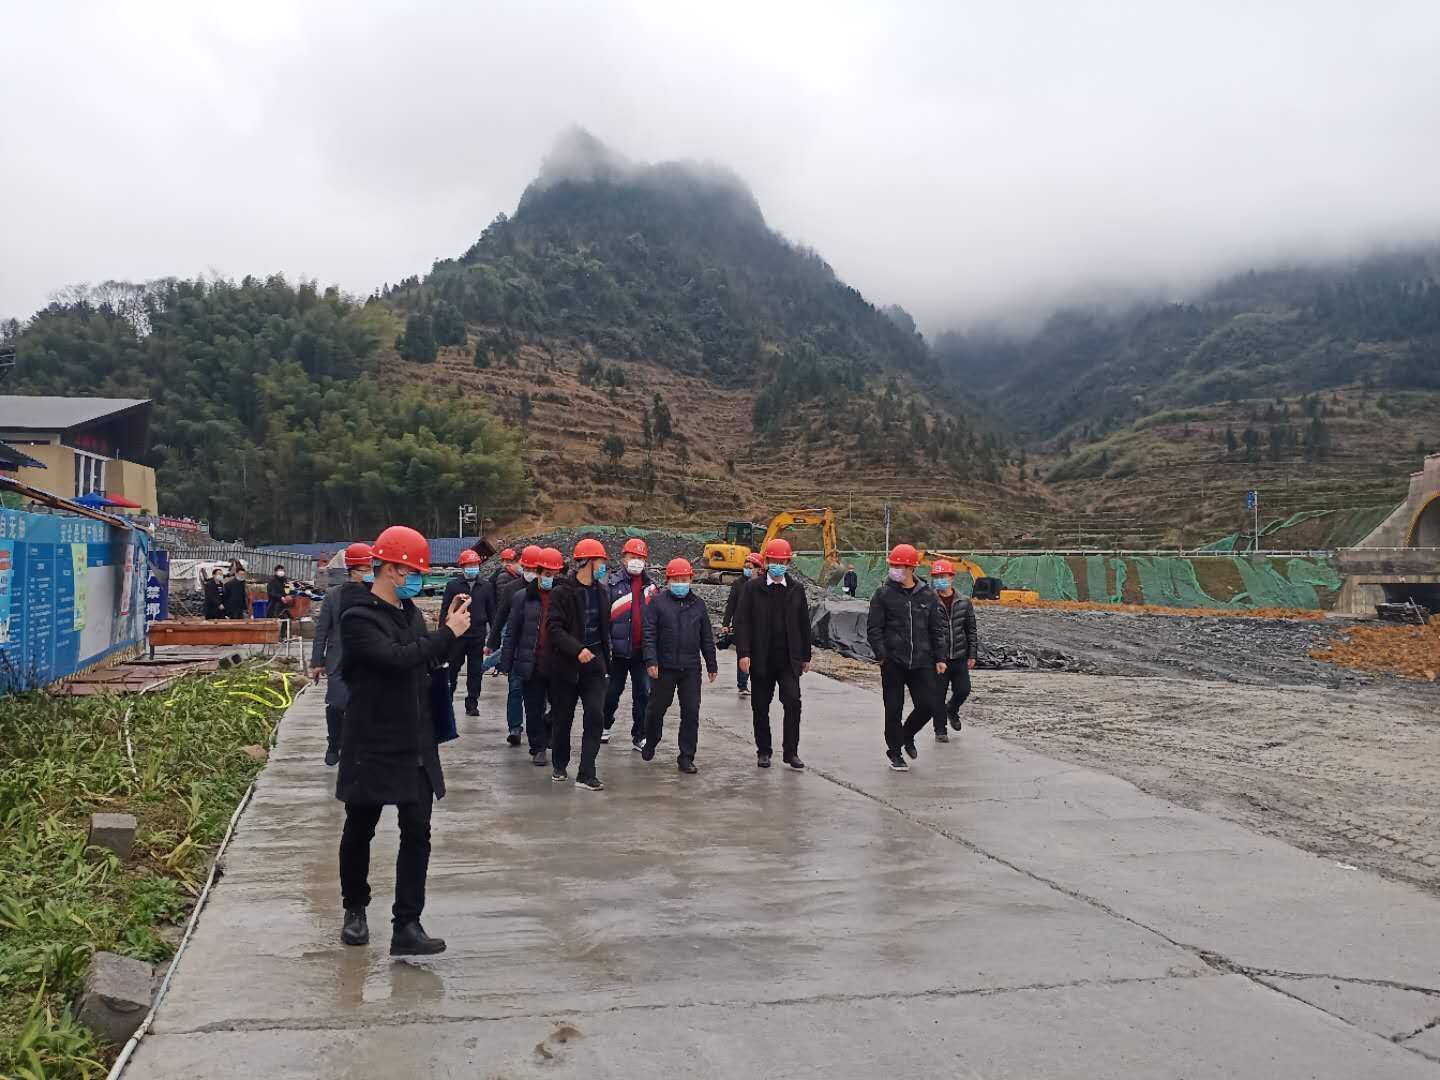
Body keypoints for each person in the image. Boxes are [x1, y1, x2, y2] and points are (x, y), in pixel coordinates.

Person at [336, 525, 471, 956]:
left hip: (414, 739)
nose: (416, 580)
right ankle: (355, 908)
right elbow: (395, 659)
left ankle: (407, 924)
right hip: (373, 740)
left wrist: (451, 635)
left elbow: (426, 658)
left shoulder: (410, 613)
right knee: (361, 827)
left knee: (417, 832)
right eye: (413, 572)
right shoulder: (358, 617)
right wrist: (446, 633)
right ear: (392, 569)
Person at [733, 538, 812, 770]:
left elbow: (804, 624)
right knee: (760, 706)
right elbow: (742, 622)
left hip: (788, 659)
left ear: (788, 563)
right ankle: (764, 751)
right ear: (766, 561)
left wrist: (805, 656)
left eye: (782, 562)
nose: (778, 565)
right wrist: (743, 653)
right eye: (774, 561)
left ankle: (791, 752)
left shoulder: (796, 589)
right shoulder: (752, 589)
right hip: (761, 659)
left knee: (793, 702)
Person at [866, 543, 946, 772]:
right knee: (894, 708)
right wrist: (882, 655)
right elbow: (874, 628)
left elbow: (936, 629)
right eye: (893, 565)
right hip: (893, 662)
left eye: (899, 566)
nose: (895, 570)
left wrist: (940, 657)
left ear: (912, 568)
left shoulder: (928, 595)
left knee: (929, 705)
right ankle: (895, 752)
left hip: (922, 661)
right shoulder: (883, 594)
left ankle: (906, 735)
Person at [539, 538, 611, 791]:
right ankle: (560, 764)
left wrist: (605, 661)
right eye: (600, 561)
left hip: (595, 665)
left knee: (595, 715)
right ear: (588, 562)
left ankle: (586, 773)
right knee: (563, 718)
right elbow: (554, 629)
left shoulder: (602, 593)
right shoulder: (562, 593)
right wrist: (577, 649)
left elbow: (604, 630)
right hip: (566, 666)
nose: (603, 566)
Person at [641, 558, 717, 774]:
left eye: (684, 579)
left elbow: (706, 637)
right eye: (676, 580)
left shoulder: (698, 604)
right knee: (657, 708)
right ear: (668, 581)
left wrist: (711, 663)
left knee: (691, 712)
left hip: (690, 668)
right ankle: (651, 739)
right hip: (664, 667)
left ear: (691, 579)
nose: (681, 583)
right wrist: (651, 661)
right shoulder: (657, 603)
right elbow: (649, 634)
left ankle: (686, 756)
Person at [498, 546, 563, 767]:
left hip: (557, 663)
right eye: (546, 574)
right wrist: (506, 662)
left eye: (554, 574)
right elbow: (512, 632)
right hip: (531, 662)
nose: (550, 578)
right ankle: (538, 747)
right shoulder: (522, 598)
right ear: (538, 572)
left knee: (560, 706)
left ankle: (548, 731)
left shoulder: (564, 597)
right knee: (533, 707)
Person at [310, 543, 373, 766]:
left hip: (368, 660)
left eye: (371, 568)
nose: (369, 572)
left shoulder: (375, 594)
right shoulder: (333, 595)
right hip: (339, 660)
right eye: (366, 569)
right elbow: (322, 630)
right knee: (337, 704)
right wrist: (317, 662)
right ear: (353, 570)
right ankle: (334, 744)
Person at [602, 536, 657, 749]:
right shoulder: (611, 584)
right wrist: (606, 646)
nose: (636, 561)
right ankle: (605, 724)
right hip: (616, 652)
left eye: (640, 558)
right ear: (624, 558)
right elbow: (603, 619)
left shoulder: (651, 587)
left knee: (643, 694)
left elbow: (657, 620)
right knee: (611, 693)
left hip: (642, 652)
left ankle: (640, 735)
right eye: (633, 556)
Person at [489, 544, 541, 736]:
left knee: (539, 694)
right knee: (515, 689)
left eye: (534, 569)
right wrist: (491, 642)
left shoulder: (549, 589)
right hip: (517, 648)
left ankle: (539, 728)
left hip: (540, 649)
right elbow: (501, 616)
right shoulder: (512, 589)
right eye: (527, 568)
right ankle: (515, 728)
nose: (530, 573)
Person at [441, 550, 497, 723]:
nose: (473, 568)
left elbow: (492, 612)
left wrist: (493, 639)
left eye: (475, 565)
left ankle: (472, 703)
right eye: (469, 565)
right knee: (452, 669)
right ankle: (447, 701)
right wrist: (443, 633)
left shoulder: (486, 586)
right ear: (462, 567)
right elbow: (445, 610)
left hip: (477, 635)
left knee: (475, 672)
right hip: (457, 635)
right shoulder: (453, 586)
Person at [928, 560, 979, 736]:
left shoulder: (964, 602)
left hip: (959, 656)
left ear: (952, 577)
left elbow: (971, 630)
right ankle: (940, 730)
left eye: (943, 576)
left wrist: (972, 654)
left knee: (963, 689)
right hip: (937, 658)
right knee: (938, 695)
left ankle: (952, 709)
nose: (940, 580)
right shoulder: (928, 601)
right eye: (936, 577)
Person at [722, 552, 762, 696]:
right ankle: (742, 685)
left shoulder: (762, 584)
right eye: (745, 567)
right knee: (743, 654)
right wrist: (726, 623)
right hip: (741, 626)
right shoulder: (738, 583)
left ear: (758, 568)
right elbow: (731, 605)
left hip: (757, 626)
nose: (747, 570)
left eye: (750, 567)